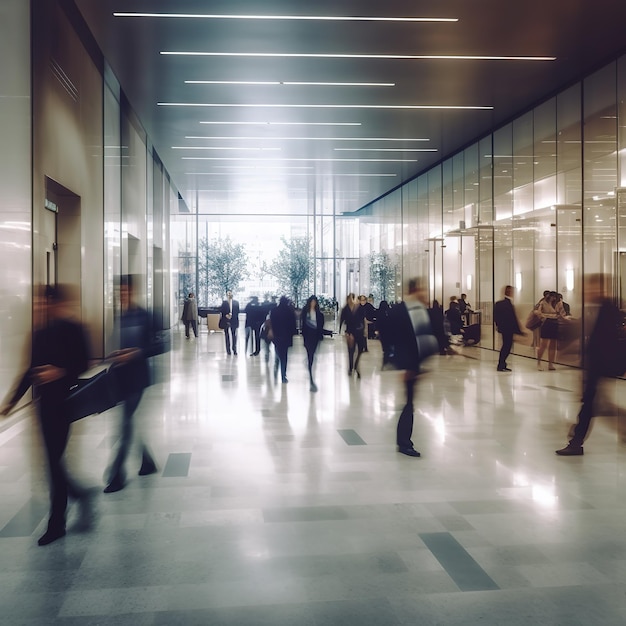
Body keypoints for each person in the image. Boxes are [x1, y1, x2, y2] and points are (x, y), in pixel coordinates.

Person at [1, 284, 92, 546]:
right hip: (44, 406)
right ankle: (79, 496)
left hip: (65, 403)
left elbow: (83, 364)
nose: (41, 306)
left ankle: (57, 522)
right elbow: (30, 370)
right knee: (53, 462)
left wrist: (59, 372)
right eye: (39, 302)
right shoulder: (39, 333)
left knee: (53, 462)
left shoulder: (74, 329)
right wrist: (10, 402)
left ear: (57, 303)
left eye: (45, 302)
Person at [556, 273, 624, 456]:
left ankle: (576, 442)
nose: (587, 291)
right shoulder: (597, 308)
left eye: (591, 287)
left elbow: (605, 341)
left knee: (590, 405)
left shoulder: (609, 309)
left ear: (601, 288)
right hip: (597, 365)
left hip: (602, 365)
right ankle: (578, 439)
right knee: (598, 405)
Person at [104, 275, 157, 493]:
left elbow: (155, 345)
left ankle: (117, 474)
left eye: (125, 291)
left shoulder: (144, 315)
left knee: (125, 425)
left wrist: (136, 352)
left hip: (137, 377)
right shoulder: (121, 317)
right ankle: (147, 461)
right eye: (119, 292)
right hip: (122, 377)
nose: (122, 295)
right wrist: (117, 355)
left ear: (133, 291)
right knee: (129, 422)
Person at [384, 278, 439, 457]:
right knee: (409, 403)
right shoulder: (399, 311)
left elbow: (426, 336)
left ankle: (404, 441)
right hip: (408, 365)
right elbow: (388, 337)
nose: (425, 293)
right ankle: (404, 443)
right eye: (422, 289)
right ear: (414, 290)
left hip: (416, 363)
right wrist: (402, 365)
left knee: (409, 403)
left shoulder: (421, 310)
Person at [494, 285, 524, 372]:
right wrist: (519, 330)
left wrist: (499, 326)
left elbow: (496, 317)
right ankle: (501, 364)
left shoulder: (499, 303)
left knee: (505, 346)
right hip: (508, 329)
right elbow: (513, 318)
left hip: (504, 328)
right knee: (506, 346)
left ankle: (502, 364)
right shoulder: (508, 304)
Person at [301, 295, 328, 392]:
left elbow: (320, 327)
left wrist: (326, 333)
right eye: (311, 302)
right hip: (308, 337)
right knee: (310, 354)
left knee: (312, 353)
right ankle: (311, 376)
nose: (313, 304)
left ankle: (310, 366)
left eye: (314, 302)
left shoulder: (319, 314)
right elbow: (303, 326)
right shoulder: (305, 312)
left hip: (315, 337)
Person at [270, 296, 297, 383]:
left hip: (277, 336)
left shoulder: (274, 310)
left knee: (278, 352)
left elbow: (272, 323)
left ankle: (276, 365)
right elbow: (293, 325)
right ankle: (283, 375)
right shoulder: (289, 311)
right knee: (284, 356)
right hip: (286, 337)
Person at [339, 293, 366, 378]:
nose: (351, 300)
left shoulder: (359, 308)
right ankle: (351, 368)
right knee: (351, 351)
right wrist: (343, 332)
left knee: (360, 350)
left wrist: (365, 330)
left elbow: (363, 319)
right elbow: (341, 321)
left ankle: (356, 366)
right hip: (350, 332)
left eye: (352, 298)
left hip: (359, 332)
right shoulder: (345, 309)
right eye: (349, 299)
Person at [536, 291, 561, 370]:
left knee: (553, 344)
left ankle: (551, 363)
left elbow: (560, 313)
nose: (554, 298)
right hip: (547, 322)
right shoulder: (543, 303)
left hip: (555, 322)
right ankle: (539, 362)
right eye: (552, 297)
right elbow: (537, 312)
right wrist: (544, 317)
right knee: (544, 344)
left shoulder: (557, 304)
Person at [219, 290, 240, 355]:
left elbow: (237, 312)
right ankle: (228, 350)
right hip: (226, 321)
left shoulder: (236, 302)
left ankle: (234, 349)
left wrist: (232, 316)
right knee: (227, 335)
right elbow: (221, 311)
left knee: (234, 335)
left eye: (230, 293)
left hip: (233, 321)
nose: (229, 295)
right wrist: (226, 315)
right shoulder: (224, 303)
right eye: (228, 294)